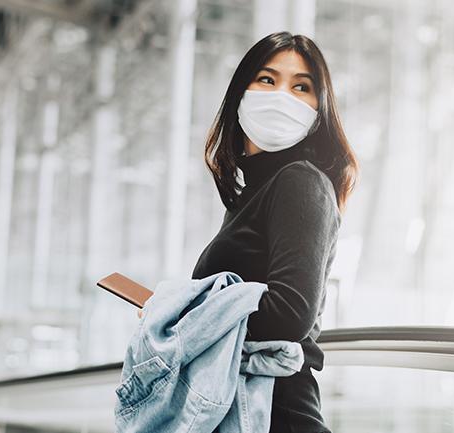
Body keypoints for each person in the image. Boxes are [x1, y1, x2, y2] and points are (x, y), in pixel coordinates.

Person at [140, 31, 359, 433]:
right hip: (241, 407)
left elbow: (289, 315)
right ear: (240, 92)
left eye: (301, 87)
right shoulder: (251, 194)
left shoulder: (299, 182)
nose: (282, 96)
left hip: (274, 412)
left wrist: (181, 312)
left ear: (318, 109)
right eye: (267, 79)